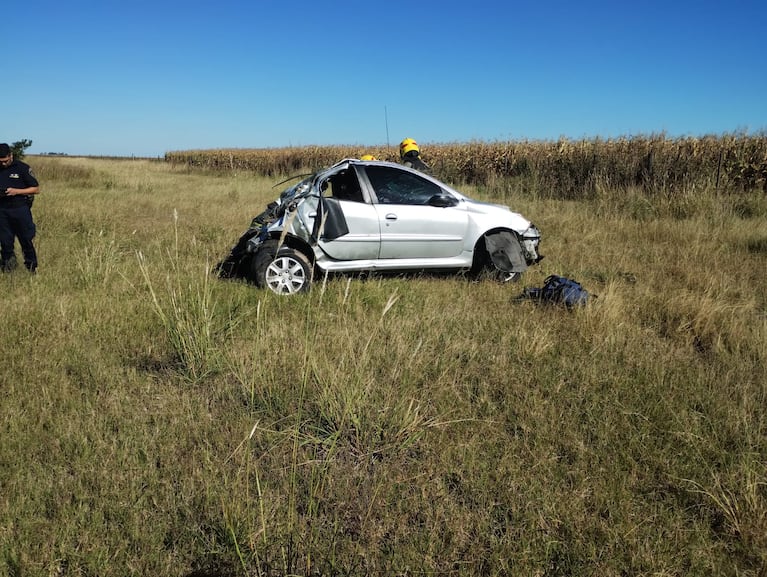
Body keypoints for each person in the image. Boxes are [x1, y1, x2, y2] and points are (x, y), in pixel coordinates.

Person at [0, 143, 40, 272]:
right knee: (5, 241)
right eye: (0, 162)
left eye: (5, 161)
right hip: (2, 210)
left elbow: (36, 189)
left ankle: (31, 267)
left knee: (26, 240)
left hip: (20, 209)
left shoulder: (22, 168)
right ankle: (8, 268)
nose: (3, 164)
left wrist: (16, 191)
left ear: (11, 155)